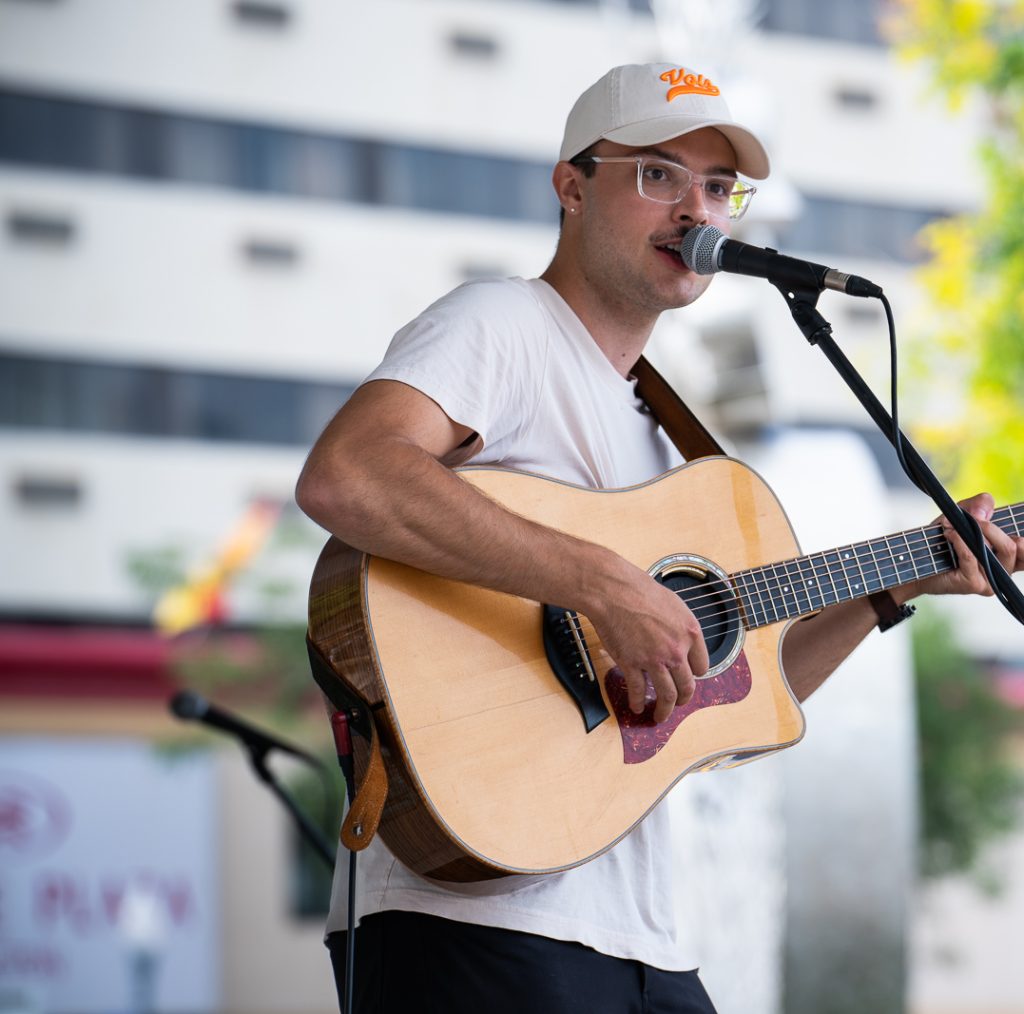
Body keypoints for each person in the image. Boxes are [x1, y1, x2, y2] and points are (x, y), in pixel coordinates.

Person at [296, 62, 1024, 1014]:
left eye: (718, 187)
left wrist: (899, 585)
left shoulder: (662, 427)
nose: (697, 210)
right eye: (658, 175)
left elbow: (744, 691)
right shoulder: (501, 324)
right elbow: (347, 473)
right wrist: (603, 585)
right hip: (475, 926)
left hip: (638, 933)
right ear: (571, 186)